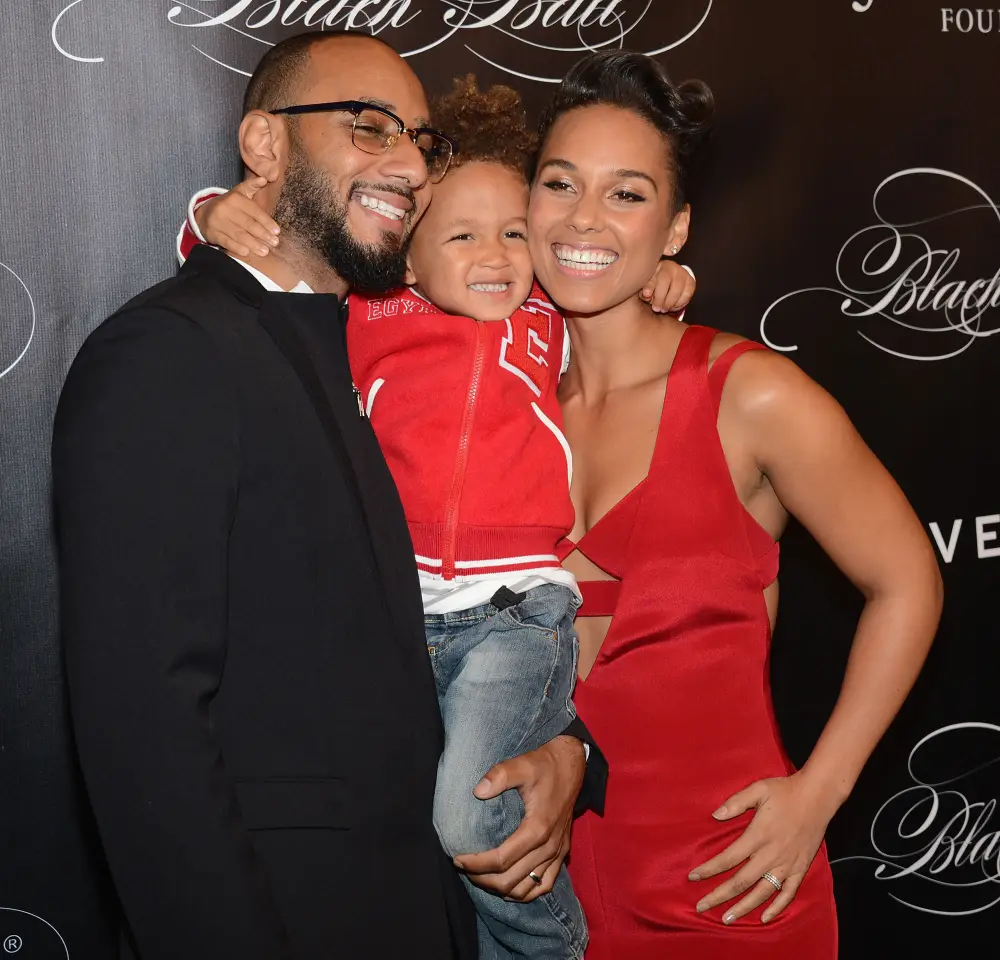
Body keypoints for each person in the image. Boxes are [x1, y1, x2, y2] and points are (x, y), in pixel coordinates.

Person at [52, 33, 602, 960]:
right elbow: (147, 738)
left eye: (420, 143)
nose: (407, 166)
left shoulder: (362, 348)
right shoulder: (169, 354)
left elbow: (420, 635)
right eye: (368, 127)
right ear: (265, 147)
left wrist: (567, 754)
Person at [178, 75, 693, 960]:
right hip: (402, 621)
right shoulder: (370, 317)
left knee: (465, 816)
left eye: (515, 234)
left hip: (517, 618)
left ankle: (555, 944)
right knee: (426, 842)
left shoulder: (545, 320)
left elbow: (612, 279)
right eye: (462, 235)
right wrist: (213, 216)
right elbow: (266, 271)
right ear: (410, 258)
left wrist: (667, 276)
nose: (497, 254)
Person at [524, 51, 944, 958]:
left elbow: (908, 579)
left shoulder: (747, 395)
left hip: (732, 889)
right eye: (560, 183)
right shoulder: (503, 405)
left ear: (675, 229)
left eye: (627, 195)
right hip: (537, 901)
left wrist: (820, 792)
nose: (584, 218)